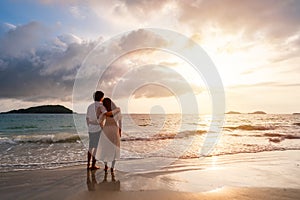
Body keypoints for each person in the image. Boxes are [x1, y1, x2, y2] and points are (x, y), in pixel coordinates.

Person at [86, 91, 119, 170]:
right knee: (96, 147)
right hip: (98, 129)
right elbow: (107, 114)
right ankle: (93, 165)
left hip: (91, 128)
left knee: (90, 147)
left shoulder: (89, 106)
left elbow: (87, 118)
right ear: (101, 97)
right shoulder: (101, 106)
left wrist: (89, 126)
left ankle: (88, 165)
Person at [96, 98, 122, 173]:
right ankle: (112, 167)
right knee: (114, 148)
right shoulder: (117, 111)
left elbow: (100, 121)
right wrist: (120, 131)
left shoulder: (105, 112)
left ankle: (106, 166)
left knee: (105, 148)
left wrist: (102, 128)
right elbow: (120, 122)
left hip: (106, 130)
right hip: (114, 130)